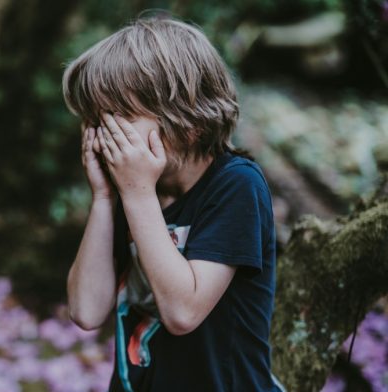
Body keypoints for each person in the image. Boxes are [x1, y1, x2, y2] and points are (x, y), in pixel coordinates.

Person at [62, 15, 286, 391]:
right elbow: (86, 310)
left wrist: (136, 193)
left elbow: (183, 312)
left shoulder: (236, 185)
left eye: (119, 118)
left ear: (187, 120)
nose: (106, 135)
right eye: (96, 120)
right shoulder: (131, 189)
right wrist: (103, 197)